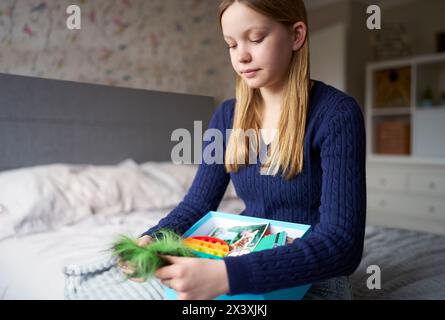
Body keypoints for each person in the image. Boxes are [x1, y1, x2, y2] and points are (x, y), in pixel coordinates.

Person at [121, 0, 366, 300]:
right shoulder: (226, 116)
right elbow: (197, 204)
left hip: (310, 274)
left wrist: (227, 276)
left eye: (256, 38)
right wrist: (152, 238)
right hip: (243, 256)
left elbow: (342, 244)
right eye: (231, 44)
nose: (242, 56)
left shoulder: (336, 114)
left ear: (296, 35)